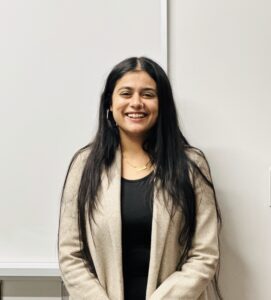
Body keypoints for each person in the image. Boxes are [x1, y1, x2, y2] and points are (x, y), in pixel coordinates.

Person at [58, 57, 222, 300]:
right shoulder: (85, 166)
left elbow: (204, 254)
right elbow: (71, 254)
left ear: (162, 104)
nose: (136, 103)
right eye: (126, 93)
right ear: (110, 104)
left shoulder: (190, 165)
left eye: (147, 94)